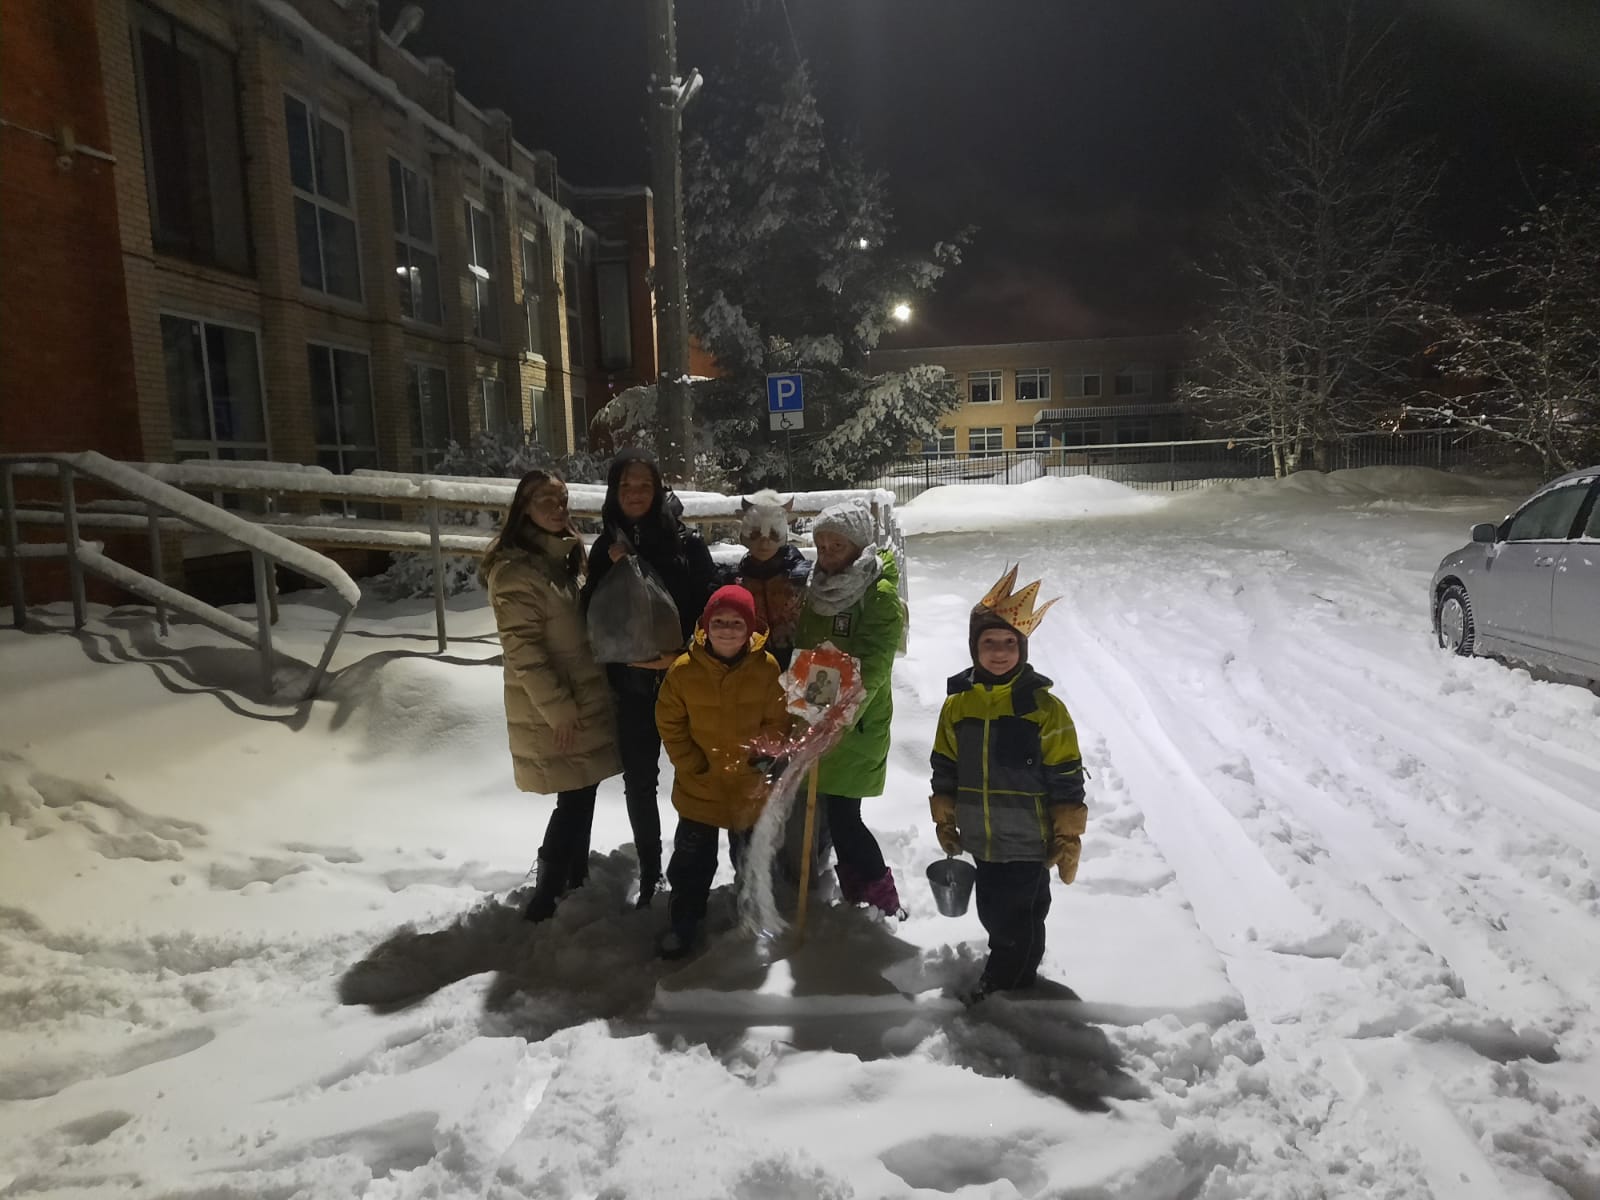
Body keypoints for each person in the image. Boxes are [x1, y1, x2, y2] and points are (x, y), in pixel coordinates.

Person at [929, 565, 1086, 1003]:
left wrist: (1067, 834)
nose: (999, 652)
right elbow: (944, 763)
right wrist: (945, 815)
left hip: (1028, 839)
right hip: (982, 836)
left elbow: (1066, 774)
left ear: (1023, 647)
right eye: (989, 643)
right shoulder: (958, 705)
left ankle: (1010, 985)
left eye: (1009, 643)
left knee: (1020, 916)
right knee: (993, 909)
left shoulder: (1043, 708)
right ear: (974, 647)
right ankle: (1009, 966)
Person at [481, 469, 622, 923]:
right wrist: (559, 710)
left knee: (583, 788)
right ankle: (546, 895)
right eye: (546, 500)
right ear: (524, 508)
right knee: (574, 796)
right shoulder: (516, 571)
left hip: (582, 694)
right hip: (557, 703)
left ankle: (573, 878)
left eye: (562, 500)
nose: (558, 508)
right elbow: (523, 652)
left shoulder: (562, 557)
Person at [581, 448, 719, 907]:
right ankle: (650, 872)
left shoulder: (686, 543)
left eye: (644, 484)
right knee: (639, 781)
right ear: (613, 492)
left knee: (695, 775)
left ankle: (691, 869)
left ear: (658, 489)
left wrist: (680, 655)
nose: (635, 493)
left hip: (685, 682)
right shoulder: (603, 548)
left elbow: (710, 609)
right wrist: (615, 566)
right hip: (631, 687)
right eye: (626, 485)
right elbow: (593, 616)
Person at [653, 585, 791, 958]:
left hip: (748, 786)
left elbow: (777, 720)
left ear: (750, 629)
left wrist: (763, 756)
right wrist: (690, 763)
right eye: (719, 622)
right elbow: (669, 722)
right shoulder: (684, 671)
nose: (727, 630)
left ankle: (752, 916)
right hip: (700, 787)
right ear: (705, 626)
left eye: (736, 623)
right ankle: (684, 922)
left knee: (750, 858)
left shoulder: (766, 668)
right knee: (691, 863)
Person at [793, 499, 907, 917]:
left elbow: (875, 664)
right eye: (821, 546)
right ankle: (856, 892)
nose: (826, 554)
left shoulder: (877, 594)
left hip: (856, 722)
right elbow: (808, 651)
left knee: (845, 814)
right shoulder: (816, 587)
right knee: (831, 809)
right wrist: (806, 711)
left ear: (859, 545)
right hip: (819, 710)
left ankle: (882, 898)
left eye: (836, 546)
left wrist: (841, 719)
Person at [732, 489, 812, 671]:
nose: (764, 543)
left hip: (798, 662)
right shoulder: (739, 578)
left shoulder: (801, 575)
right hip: (753, 664)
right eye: (755, 533)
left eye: (774, 534)